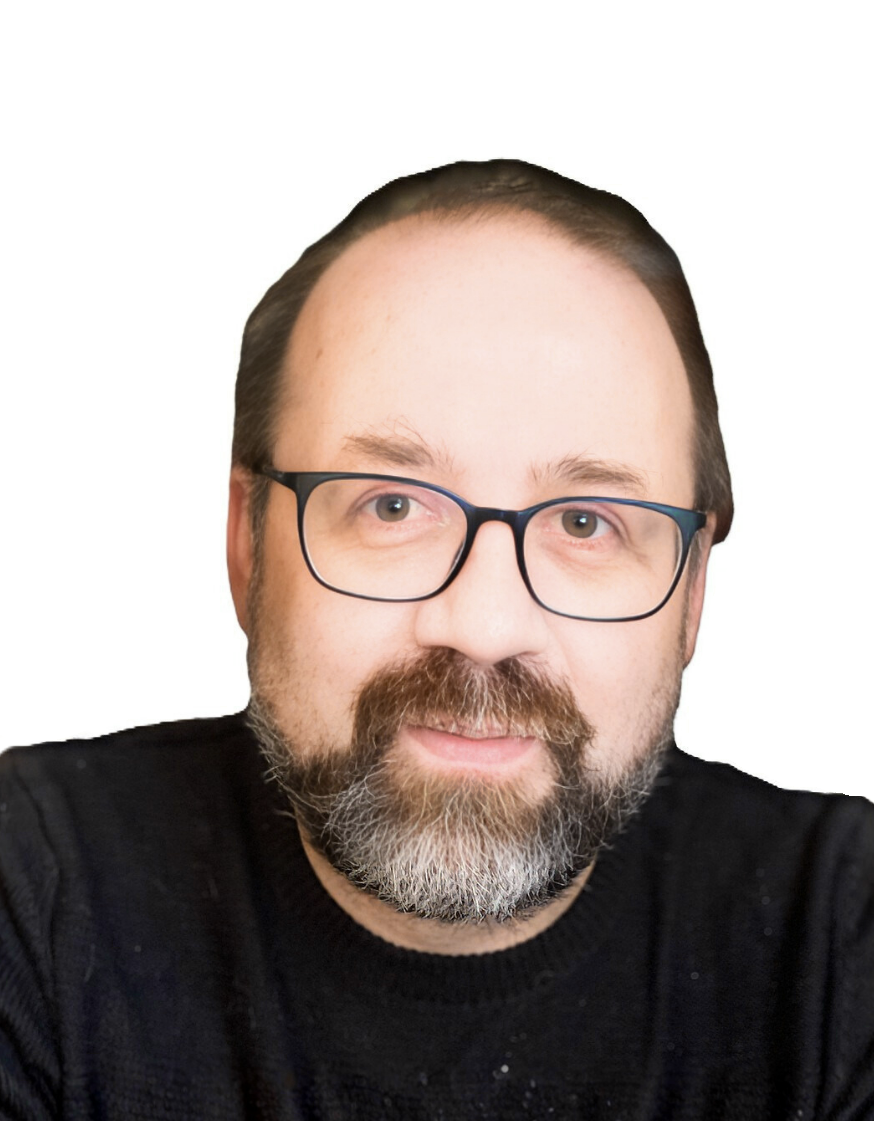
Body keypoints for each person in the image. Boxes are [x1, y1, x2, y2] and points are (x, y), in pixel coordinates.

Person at [1, 160, 871, 1120]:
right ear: (247, 541)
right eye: (391, 506)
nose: (484, 627)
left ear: (693, 587)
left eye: (586, 522)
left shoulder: (841, 938)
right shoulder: (32, 887)